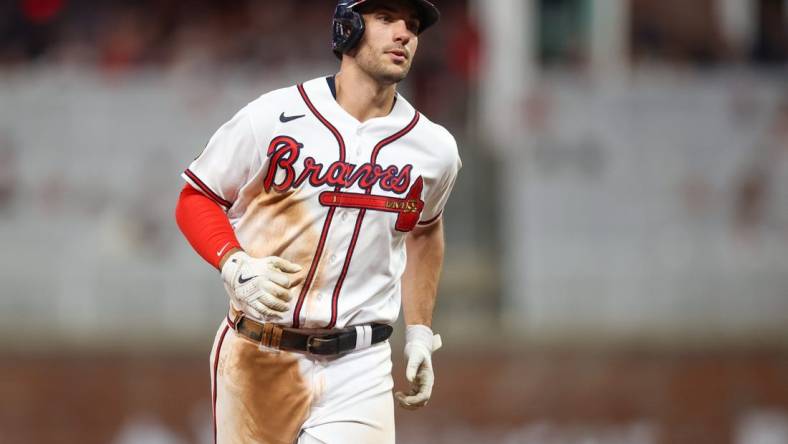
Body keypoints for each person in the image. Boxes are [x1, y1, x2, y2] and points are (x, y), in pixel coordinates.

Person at [174, 0, 461, 442]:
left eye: (413, 25)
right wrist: (233, 263)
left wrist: (420, 331)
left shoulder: (434, 149)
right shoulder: (272, 116)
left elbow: (424, 230)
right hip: (259, 352)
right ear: (346, 27)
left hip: (360, 364)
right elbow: (197, 196)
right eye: (386, 19)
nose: (404, 33)